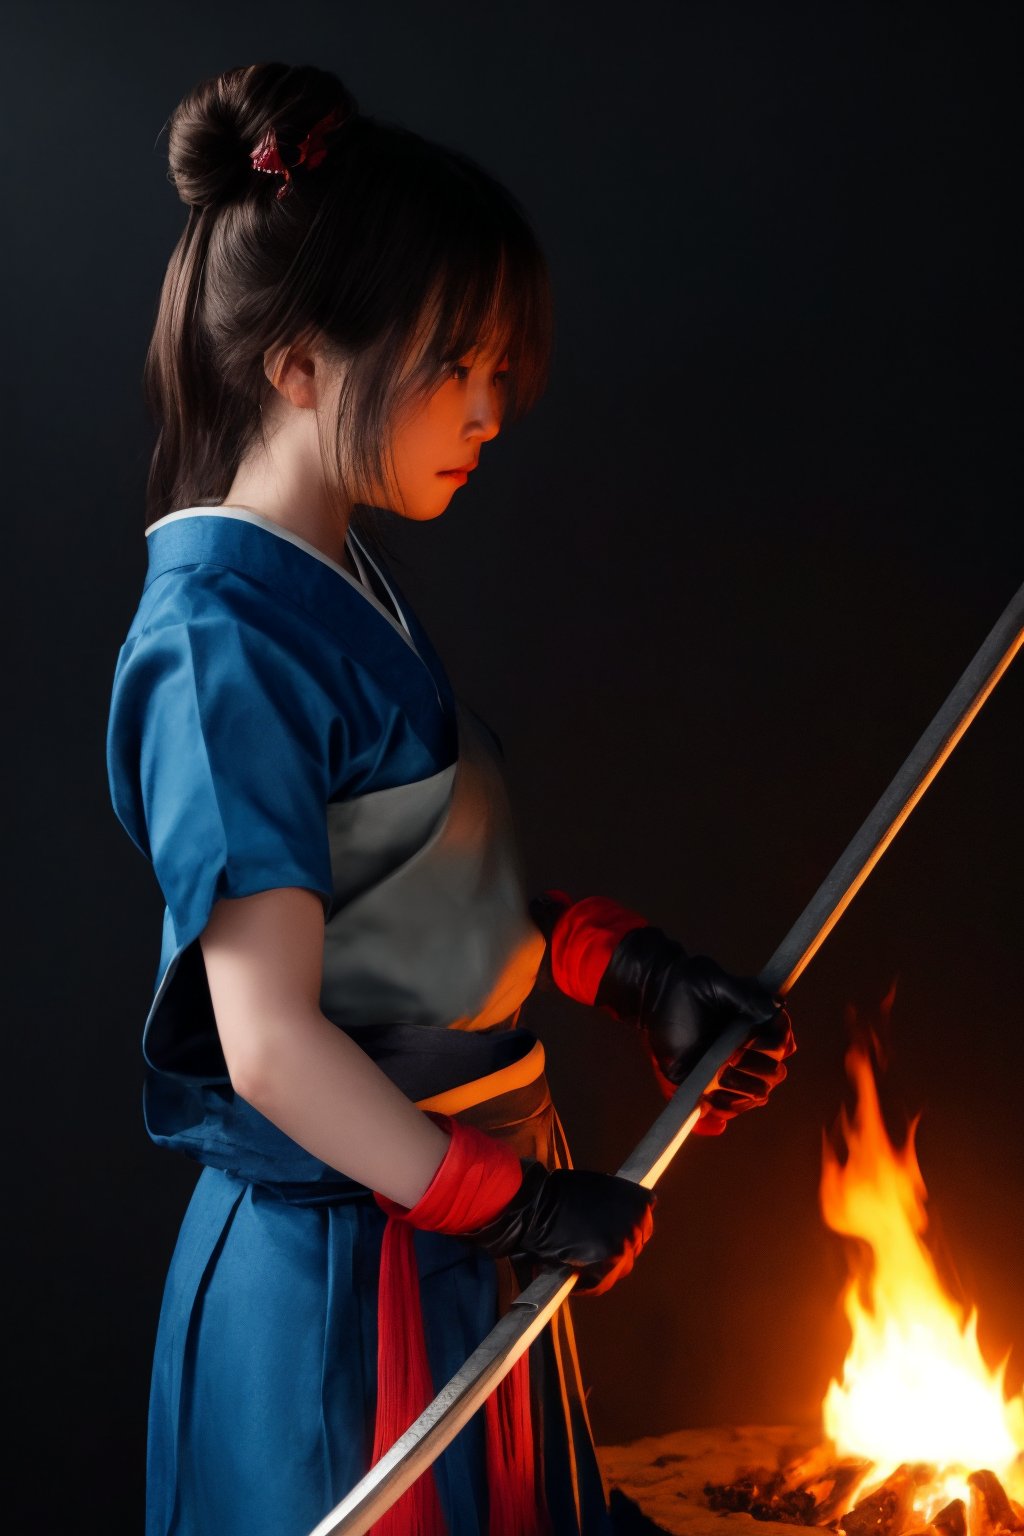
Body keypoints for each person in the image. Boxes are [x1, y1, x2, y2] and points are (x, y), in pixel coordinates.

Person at [105, 61, 796, 1536]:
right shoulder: (217, 638)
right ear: (298, 362)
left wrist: (640, 976)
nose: (490, 411)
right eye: (453, 366)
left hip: (455, 1230)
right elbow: (276, 1042)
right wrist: (515, 1207)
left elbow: (418, 910)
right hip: (351, 1281)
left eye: (502, 372)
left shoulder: (339, 578)